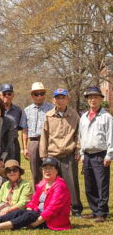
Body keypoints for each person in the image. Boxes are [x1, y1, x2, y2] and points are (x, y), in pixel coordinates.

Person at [0, 157, 71, 232]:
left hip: (52, 220)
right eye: (45, 168)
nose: (47, 171)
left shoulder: (60, 186)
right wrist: (27, 212)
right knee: (20, 212)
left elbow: (51, 210)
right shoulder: (43, 184)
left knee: (28, 215)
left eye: (51, 168)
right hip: (38, 214)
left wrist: (35, 223)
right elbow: (33, 202)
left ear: (57, 171)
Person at [39, 89, 83, 217]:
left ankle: (75, 209)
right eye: (57, 98)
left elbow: (78, 135)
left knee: (72, 183)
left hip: (69, 153)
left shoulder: (74, 115)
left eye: (63, 97)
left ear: (68, 99)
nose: (60, 100)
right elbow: (44, 135)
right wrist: (43, 153)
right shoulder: (49, 115)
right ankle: (51, 206)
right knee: (52, 182)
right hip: (53, 153)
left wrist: (78, 149)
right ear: (53, 100)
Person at [79, 86, 113, 222]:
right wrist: (82, 153)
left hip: (101, 154)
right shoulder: (84, 117)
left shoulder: (107, 117)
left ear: (100, 99)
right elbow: (81, 136)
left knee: (102, 184)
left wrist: (109, 155)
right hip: (87, 154)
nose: (93, 100)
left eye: (96, 97)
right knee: (89, 185)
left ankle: (102, 211)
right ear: (87, 100)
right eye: (90, 97)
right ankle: (94, 210)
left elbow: (111, 136)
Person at [20, 82, 53, 185]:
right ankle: (37, 195)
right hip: (33, 142)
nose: (39, 96)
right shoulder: (27, 110)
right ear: (32, 95)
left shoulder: (51, 108)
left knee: (48, 169)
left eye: (42, 93)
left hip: (47, 142)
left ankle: (49, 195)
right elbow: (24, 130)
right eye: (36, 94)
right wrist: (25, 147)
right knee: (35, 172)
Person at [0, 83, 22, 163]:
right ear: (0, 95)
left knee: (14, 168)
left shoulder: (18, 111)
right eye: (4, 94)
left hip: (13, 143)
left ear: (13, 95)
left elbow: (21, 128)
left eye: (9, 94)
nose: (7, 96)